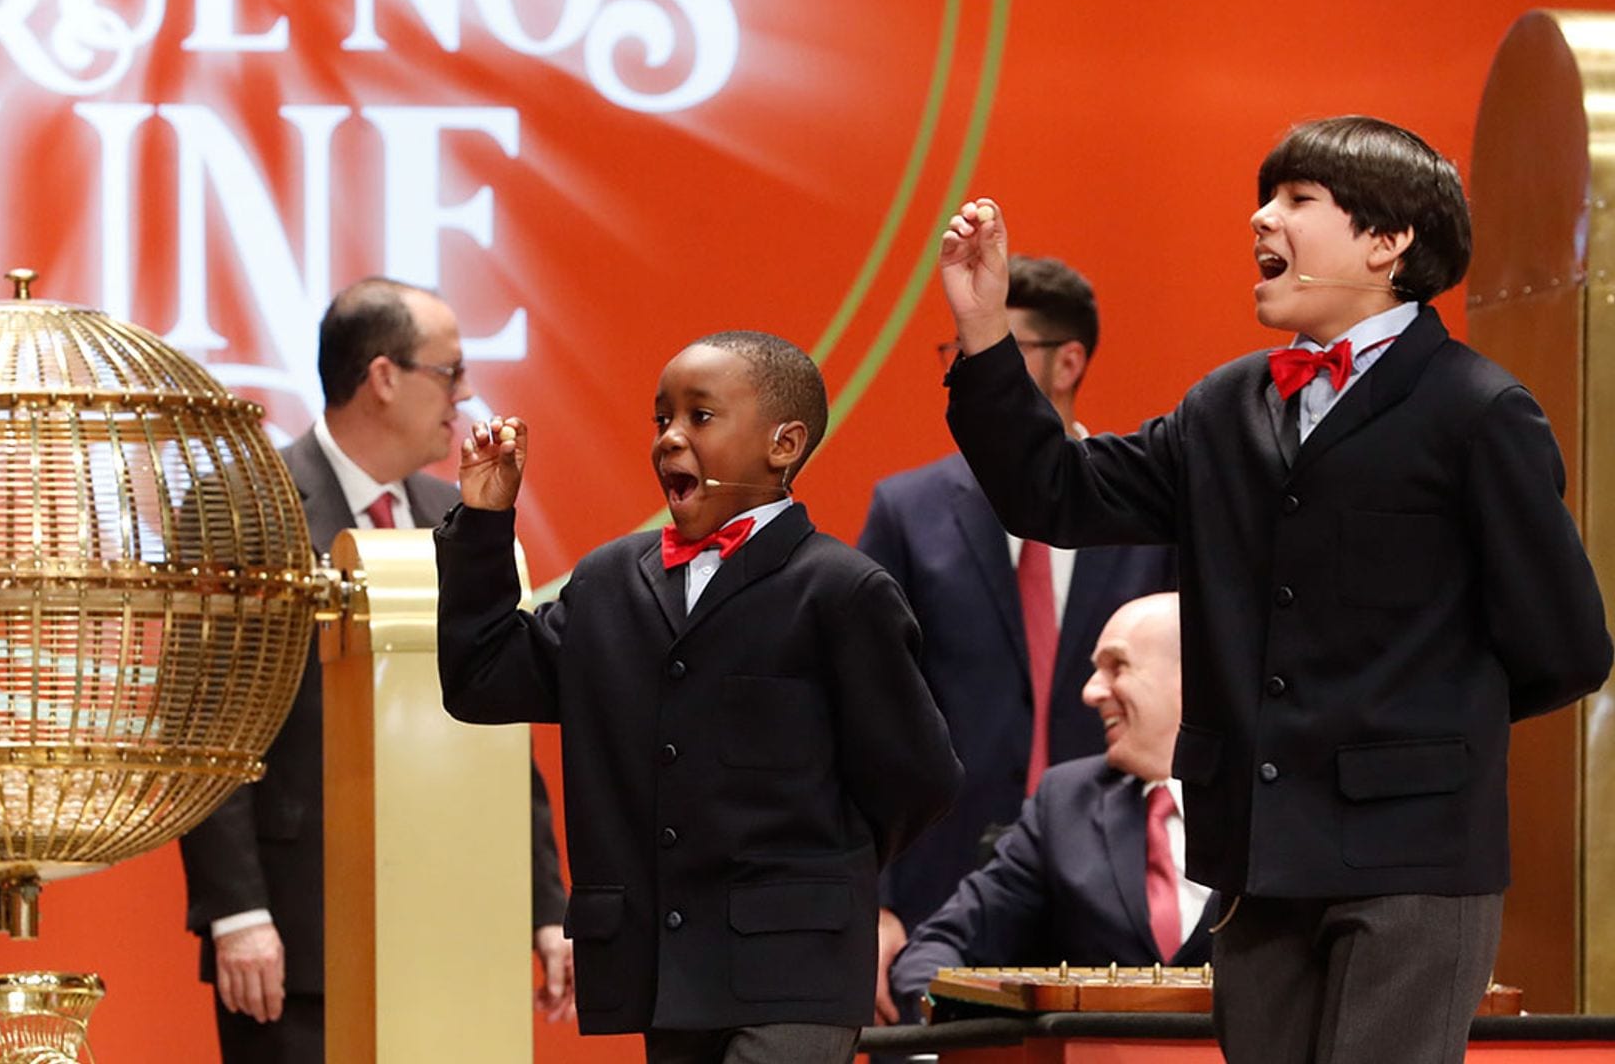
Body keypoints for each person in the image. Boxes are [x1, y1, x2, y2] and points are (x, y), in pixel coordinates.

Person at [935, 116, 1612, 1063]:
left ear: (1388, 241)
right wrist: (982, 333)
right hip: (1256, 856)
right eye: (1267, 197)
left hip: (1412, 858)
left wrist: (1417, 727)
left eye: (1298, 201)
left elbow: (1567, 647)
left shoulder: (1478, 411)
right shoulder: (1225, 404)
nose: (1261, 217)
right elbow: (1060, 492)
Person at [434, 330, 962, 1064]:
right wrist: (486, 521)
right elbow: (480, 678)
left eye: (700, 417)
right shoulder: (609, 581)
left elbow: (917, 775)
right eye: (662, 420)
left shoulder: (842, 590)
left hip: (795, 969)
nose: (670, 438)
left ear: (785, 443)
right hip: (664, 972)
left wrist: (821, 871)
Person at [177, 277, 574, 1064]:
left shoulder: (457, 516)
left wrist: (545, 905)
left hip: (451, 927)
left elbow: (499, 723)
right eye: (450, 372)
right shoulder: (247, 507)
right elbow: (204, 720)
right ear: (384, 377)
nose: (464, 395)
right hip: (301, 932)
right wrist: (237, 912)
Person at [857, 256, 1172, 1021]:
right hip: (937, 881)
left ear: (1068, 362)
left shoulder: (1147, 504)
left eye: (1002, 344)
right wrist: (875, 903)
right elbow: (865, 713)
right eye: (962, 348)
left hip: (1117, 889)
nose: (974, 363)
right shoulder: (908, 509)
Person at [889, 592, 1215, 1019]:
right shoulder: (1064, 805)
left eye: (1116, 666)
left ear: (1192, 678)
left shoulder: (1281, 806)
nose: (1090, 691)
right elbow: (935, 954)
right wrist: (954, 1026)